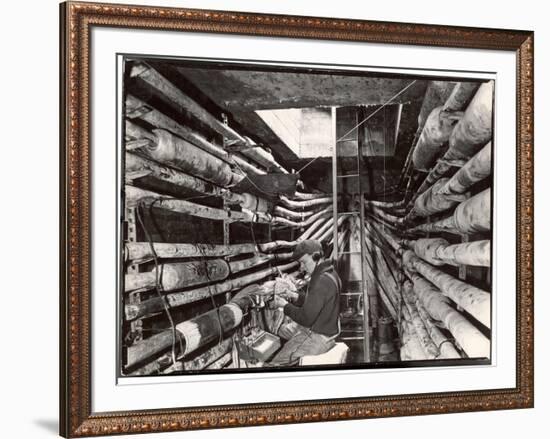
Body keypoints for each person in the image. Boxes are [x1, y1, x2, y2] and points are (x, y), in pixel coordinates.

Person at [269, 239, 341, 366]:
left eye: (303, 262)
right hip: (325, 330)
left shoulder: (321, 281)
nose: (302, 267)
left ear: (315, 256)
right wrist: (295, 296)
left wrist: (284, 305)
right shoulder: (330, 273)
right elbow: (316, 302)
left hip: (317, 337)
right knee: (279, 331)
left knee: (274, 364)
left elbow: (306, 318)